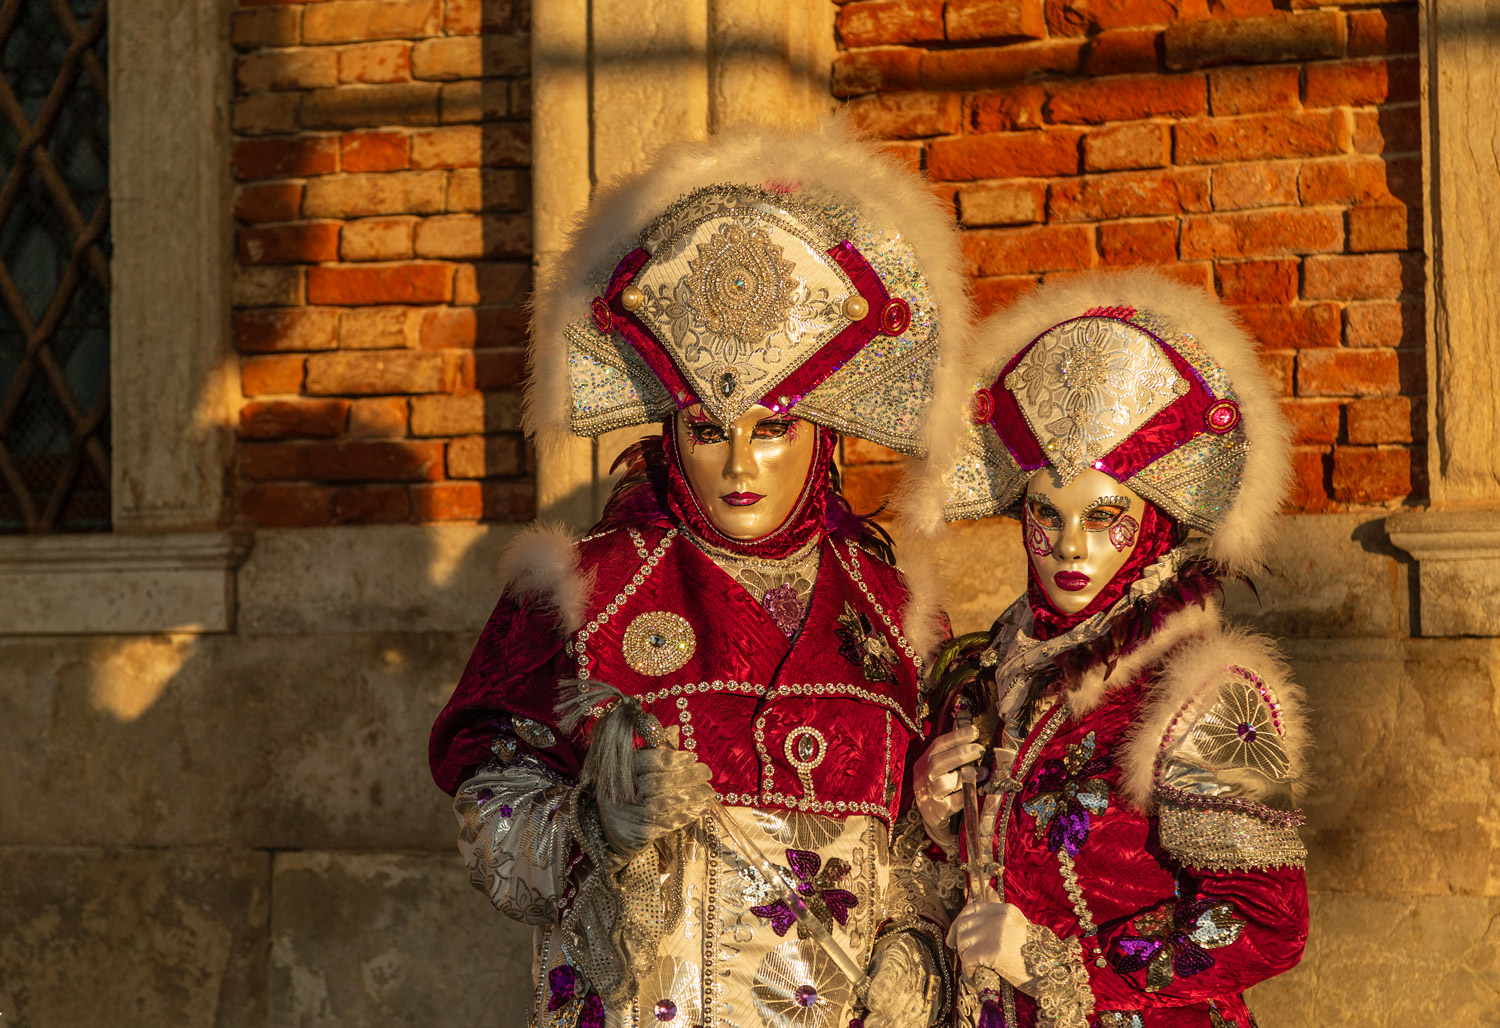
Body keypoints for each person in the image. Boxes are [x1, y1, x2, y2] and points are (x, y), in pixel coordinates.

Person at [429, 122, 971, 1028]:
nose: (741, 465)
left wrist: (913, 968)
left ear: (824, 433)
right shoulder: (585, 594)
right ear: (671, 432)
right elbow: (490, 817)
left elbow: (931, 863)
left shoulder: (895, 616)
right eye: (711, 430)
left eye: (772, 428)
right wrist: (593, 828)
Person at [910, 269, 1310, 1028]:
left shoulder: (1206, 692)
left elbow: (1263, 922)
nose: (1068, 546)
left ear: (1153, 520)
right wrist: (935, 819)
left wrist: (1050, 960)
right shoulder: (992, 680)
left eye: (1103, 517)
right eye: (1045, 514)